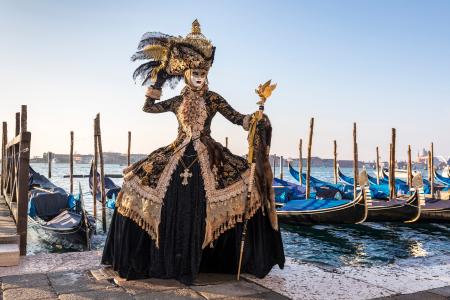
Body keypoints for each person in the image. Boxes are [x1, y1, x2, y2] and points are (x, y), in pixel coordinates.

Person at [102, 19, 285, 285]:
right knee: (135, 183)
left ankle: (222, 258)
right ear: (187, 74)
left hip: (210, 153)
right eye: (195, 73)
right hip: (176, 151)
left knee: (248, 183)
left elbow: (238, 119)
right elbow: (149, 109)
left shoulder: (214, 99)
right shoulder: (178, 100)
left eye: (203, 74)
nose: (200, 78)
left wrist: (255, 118)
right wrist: (157, 82)